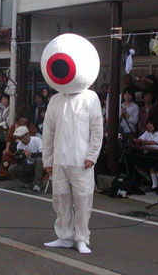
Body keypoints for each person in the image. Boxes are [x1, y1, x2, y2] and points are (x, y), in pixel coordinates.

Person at [41, 33, 103, 255]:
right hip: (60, 160)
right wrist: (47, 160)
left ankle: (82, 238)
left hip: (81, 160)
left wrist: (92, 154)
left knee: (83, 199)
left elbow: (97, 129)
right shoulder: (55, 100)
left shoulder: (90, 97)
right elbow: (48, 131)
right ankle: (64, 236)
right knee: (61, 199)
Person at [0, 107, 38, 180]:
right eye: (22, 117)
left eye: (26, 118)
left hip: (26, 147)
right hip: (15, 146)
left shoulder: (30, 126)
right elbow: (9, 138)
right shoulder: (14, 125)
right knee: (6, 155)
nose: (24, 119)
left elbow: (32, 138)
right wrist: (7, 148)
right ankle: (3, 174)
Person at [9, 126, 44, 192]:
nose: (22, 140)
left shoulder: (37, 140)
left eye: (22, 137)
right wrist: (19, 157)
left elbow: (43, 154)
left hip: (39, 166)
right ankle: (28, 181)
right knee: (12, 168)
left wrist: (31, 154)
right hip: (27, 165)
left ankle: (37, 183)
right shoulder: (19, 145)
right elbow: (19, 162)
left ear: (27, 134)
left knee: (39, 159)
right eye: (20, 138)